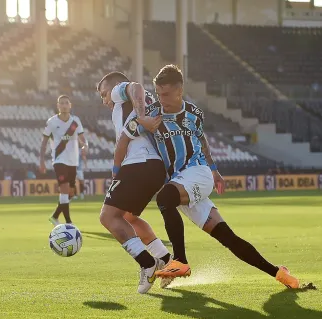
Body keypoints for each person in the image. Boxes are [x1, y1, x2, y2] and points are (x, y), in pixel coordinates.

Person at [113, 65, 300, 289]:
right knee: (227, 237)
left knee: (164, 199)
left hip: (198, 173)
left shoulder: (193, 113)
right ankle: (280, 273)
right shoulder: (152, 113)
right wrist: (139, 124)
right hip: (181, 182)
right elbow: (125, 135)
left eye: (166, 94)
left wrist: (213, 168)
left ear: (180, 91)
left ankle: (180, 260)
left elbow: (201, 139)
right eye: (158, 93)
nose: (161, 99)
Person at [96, 71, 173, 294]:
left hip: (138, 164)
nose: (105, 100)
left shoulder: (121, 91)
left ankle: (147, 263)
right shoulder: (144, 100)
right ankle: (165, 259)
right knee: (128, 218)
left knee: (108, 217)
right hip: (154, 166)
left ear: (113, 87)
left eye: (104, 94)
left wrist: (140, 117)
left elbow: (135, 86)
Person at [39, 95, 87, 226]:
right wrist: (42, 160)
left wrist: (85, 146)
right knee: (64, 189)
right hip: (59, 159)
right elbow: (44, 142)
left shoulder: (75, 121)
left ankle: (55, 216)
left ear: (70, 105)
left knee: (70, 193)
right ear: (58, 105)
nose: (64, 105)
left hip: (73, 161)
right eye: (62, 103)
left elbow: (82, 138)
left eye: (66, 103)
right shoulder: (52, 122)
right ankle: (68, 223)